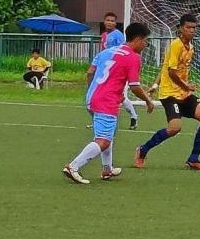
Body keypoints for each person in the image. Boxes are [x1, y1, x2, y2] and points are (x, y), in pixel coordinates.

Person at [63, 22, 155, 184]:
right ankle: (73, 166)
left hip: (92, 97)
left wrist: (96, 89)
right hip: (106, 101)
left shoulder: (107, 51)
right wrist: (148, 100)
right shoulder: (133, 57)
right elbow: (134, 86)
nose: (145, 45)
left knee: (107, 134)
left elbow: (90, 72)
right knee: (103, 140)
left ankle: (107, 169)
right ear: (138, 39)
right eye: (145, 41)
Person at [134, 13, 200, 171]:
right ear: (181, 29)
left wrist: (155, 84)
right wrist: (186, 86)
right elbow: (171, 72)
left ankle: (193, 159)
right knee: (174, 128)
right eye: (188, 27)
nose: (192, 30)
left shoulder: (190, 47)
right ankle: (142, 150)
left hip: (184, 94)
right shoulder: (176, 45)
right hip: (170, 94)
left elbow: (165, 67)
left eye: (194, 28)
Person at [93, 12, 138, 129]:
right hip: (107, 69)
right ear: (104, 22)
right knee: (104, 94)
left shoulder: (118, 35)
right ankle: (99, 120)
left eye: (112, 21)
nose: (110, 22)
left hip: (116, 70)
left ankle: (133, 116)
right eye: (108, 20)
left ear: (115, 23)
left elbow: (122, 51)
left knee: (119, 96)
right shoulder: (104, 35)